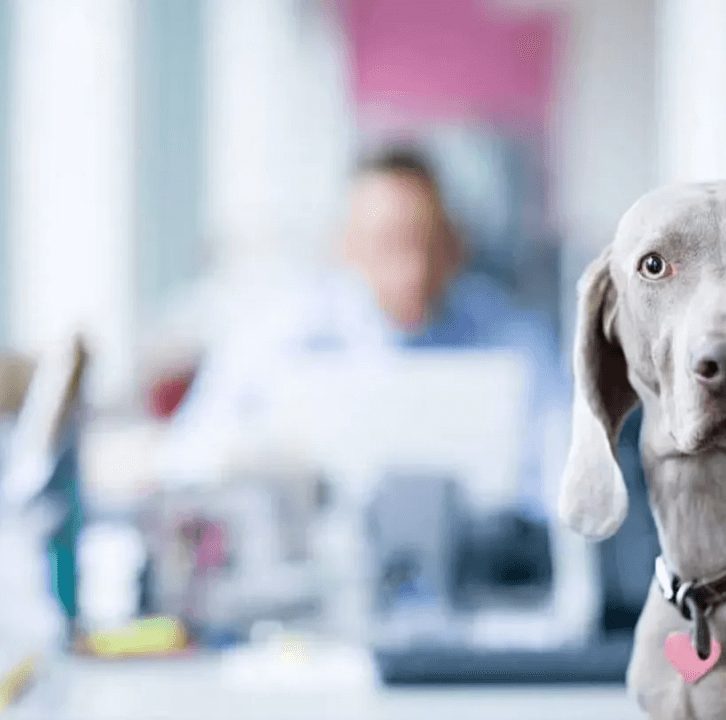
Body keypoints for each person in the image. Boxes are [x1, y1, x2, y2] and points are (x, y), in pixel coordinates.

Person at [163, 146, 568, 513]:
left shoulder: (513, 338)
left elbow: (566, 474)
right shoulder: (280, 335)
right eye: (389, 243)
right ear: (344, 245)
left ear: (455, 244)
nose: (414, 269)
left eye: (427, 242)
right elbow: (190, 455)